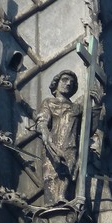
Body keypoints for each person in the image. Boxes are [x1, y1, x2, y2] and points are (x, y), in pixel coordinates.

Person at [36, 70, 83, 205]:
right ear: (56, 83)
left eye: (72, 83)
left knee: (67, 178)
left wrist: (96, 105)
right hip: (53, 145)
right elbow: (42, 122)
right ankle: (52, 206)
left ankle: (63, 201)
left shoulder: (77, 108)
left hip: (71, 147)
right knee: (52, 176)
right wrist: (48, 140)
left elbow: (88, 130)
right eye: (65, 80)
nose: (68, 84)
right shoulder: (49, 102)